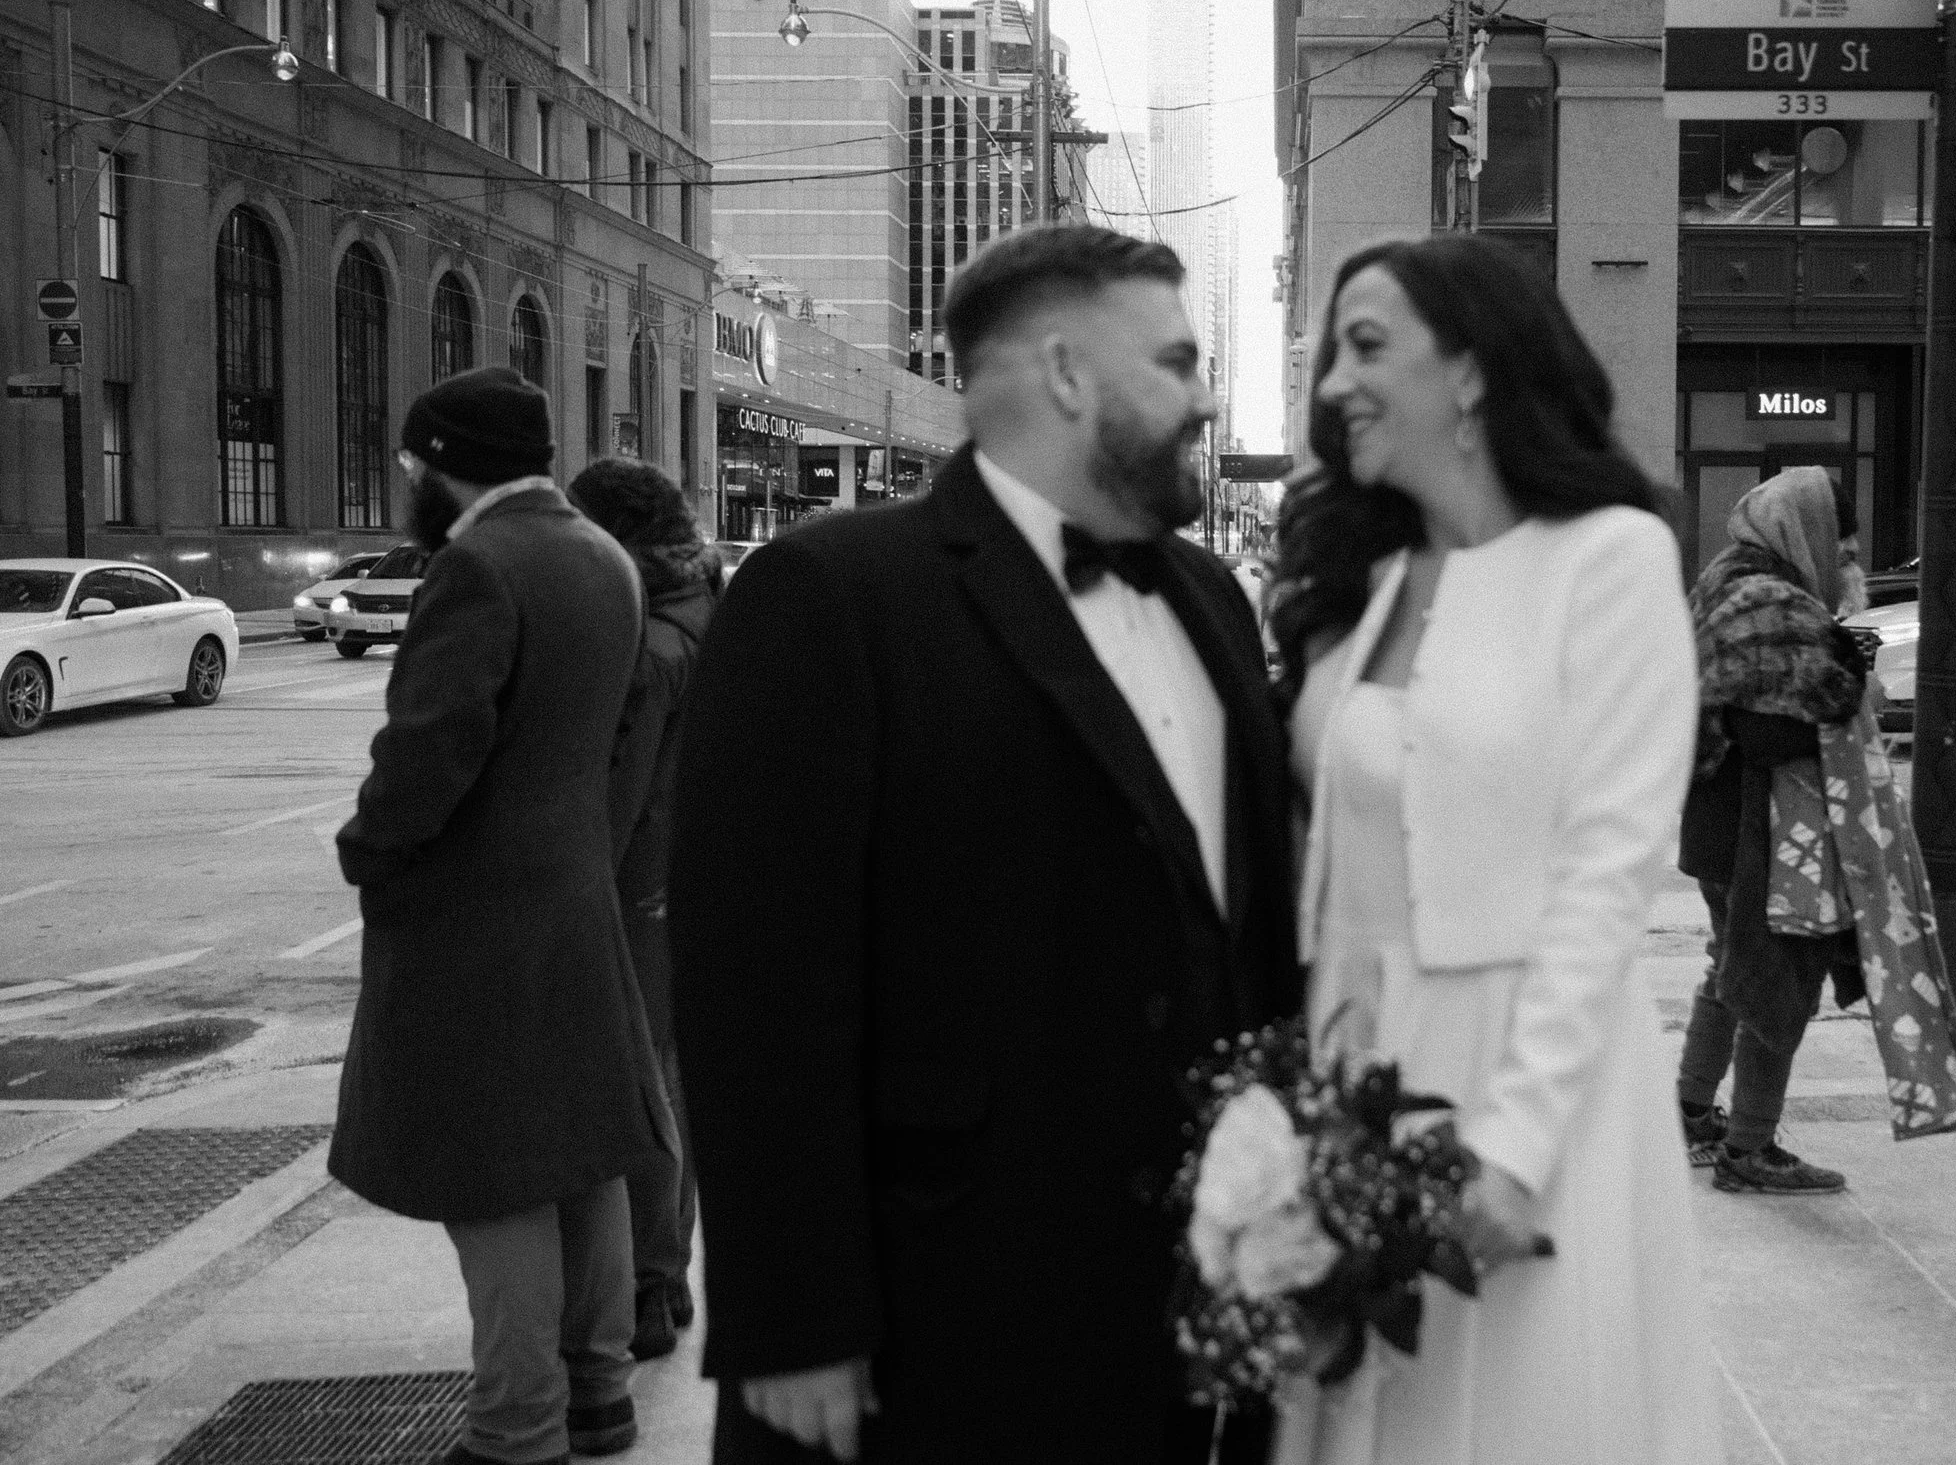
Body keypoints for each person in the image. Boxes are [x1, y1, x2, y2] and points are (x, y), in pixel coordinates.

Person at [667, 224, 1301, 1465]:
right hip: (940, 1317)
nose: (1205, 396)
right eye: (1175, 362)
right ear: (1066, 372)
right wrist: (792, 1313)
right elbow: (754, 987)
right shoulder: (827, 596)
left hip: (1185, 1317)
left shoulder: (1213, 599)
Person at [1265, 234, 1721, 1465]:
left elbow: (1607, 872)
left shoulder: (1609, 559)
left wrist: (1512, 1150)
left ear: (1469, 373)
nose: (1334, 386)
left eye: (1368, 348)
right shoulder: (1357, 581)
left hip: (1531, 1074)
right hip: (1356, 1068)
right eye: (1329, 356)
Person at [331, 367, 670, 1465]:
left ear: (443, 462)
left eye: (410, 464)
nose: (408, 483)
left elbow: (429, 751)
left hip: (477, 923)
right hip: (574, 903)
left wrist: (370, 849)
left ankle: (514, 1426)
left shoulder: (479, 563)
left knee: (495, 1173)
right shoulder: (599, 555)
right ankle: (596, 1393)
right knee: (582, 1155)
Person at [1674, 467, 1870, 1195]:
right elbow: (1771, 729)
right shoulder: (1771, 600)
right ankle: (1749, 1147)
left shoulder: (1725, 578)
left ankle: (1692, 1109)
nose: (1849, 560)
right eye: (1841, 544)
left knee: (1727, 964)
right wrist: (1849, 676)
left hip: (1713, 819)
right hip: (1755, 828)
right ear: (1807, 532)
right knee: (1775, 979)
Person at [569, 456, 722, 1362]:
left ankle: (651, 1282)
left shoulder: (651, 647)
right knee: (677, 1086)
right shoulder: (708, 605)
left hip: (645, 892)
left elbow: (617, 804)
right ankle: (670, 1268)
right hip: (698, 885)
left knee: (646, 1087)